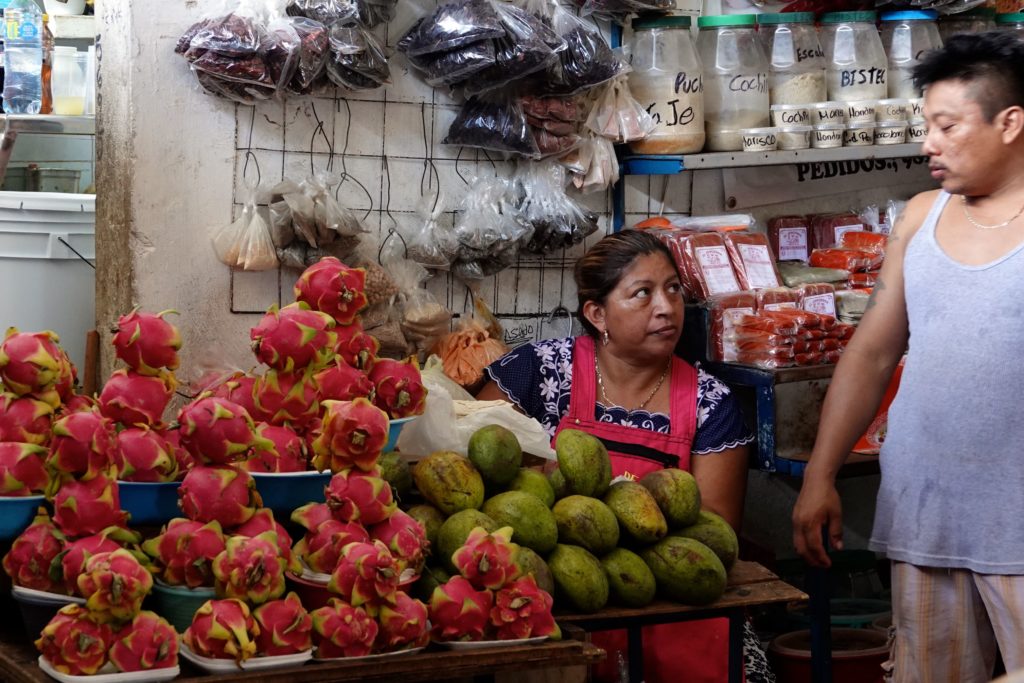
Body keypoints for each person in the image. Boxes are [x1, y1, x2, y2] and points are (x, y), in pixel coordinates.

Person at [792, 32, 1024, 683]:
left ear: (1009, 123)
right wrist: (820, 474)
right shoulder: (921, 219)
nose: (929, 143)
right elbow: (870, 354)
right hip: (927, 522)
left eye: (947, 125)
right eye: (927, 125)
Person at [478, 229, 772, 683]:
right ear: (598, 313)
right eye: (643, 293)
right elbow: (480, 456)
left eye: (673, 290)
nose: (666, 307)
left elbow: (716, 528)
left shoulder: (708, 401)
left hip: (668, 602)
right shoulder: (539, 372)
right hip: (557, 600)